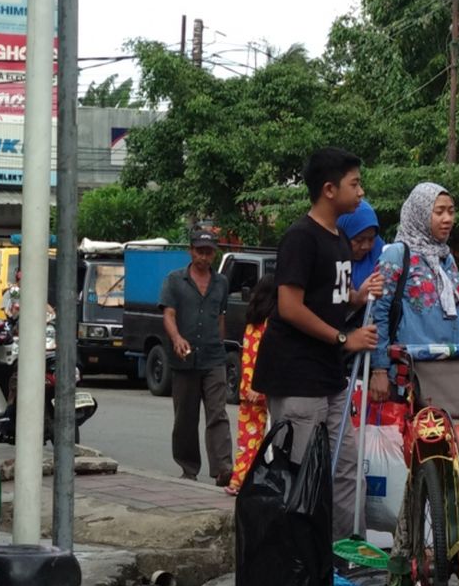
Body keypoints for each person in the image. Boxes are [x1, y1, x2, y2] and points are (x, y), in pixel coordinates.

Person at [251, 147, 382, 540]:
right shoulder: (300, 237)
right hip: (296, 375)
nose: (361, 192)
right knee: (297, 471)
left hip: (330, 374)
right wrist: (346, 338)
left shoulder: (340, 238)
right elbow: (289, 307)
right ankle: (295, 556)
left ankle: (341, 552)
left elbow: (330, 300)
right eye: (354, 184)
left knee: (345, 466)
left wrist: (358, 297)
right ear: (329, 189)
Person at [368, 182, 459, 402]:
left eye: (451, 212)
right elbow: (378, 314)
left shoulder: (447, 258)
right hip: (413, 377)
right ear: (420, 214)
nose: (448, 219)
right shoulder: (396, 255)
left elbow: (444, 311)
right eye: (439, 212)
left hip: (452, 375)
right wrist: (379, 370)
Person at [159, 229, 233, 485]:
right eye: (200, 251)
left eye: (209, 252)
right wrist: (177, 339)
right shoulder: (175, 280)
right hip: (184, 359)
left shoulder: (221, 282)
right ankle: (188, 468)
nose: (204, 257)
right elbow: (168, 315)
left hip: (213, 356)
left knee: (218, 413)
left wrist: (219, 342)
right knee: (185, 417)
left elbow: (220, 316)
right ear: (191, 251)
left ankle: (223, 467)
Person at [225, 274, 276, 496]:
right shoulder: (272, 323)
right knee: (274, 439)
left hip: (248, 388)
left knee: (248, 439)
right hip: (266, 387)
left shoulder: (251, 322)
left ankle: (239, 481)